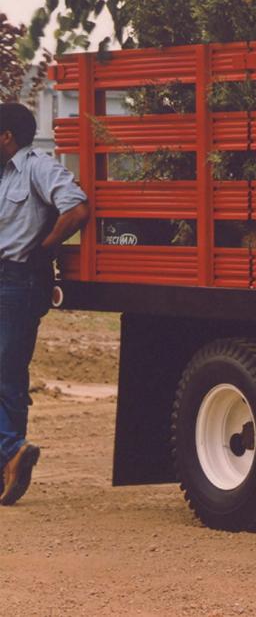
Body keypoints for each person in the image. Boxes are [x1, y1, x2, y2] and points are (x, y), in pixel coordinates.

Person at [0, 102, 90, 506]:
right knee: (10, 378)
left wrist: (46, 249)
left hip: (18, 282)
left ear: (8, 136)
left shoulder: (37, 165)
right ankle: (11, 461)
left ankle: (9, 449)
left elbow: (76, 208)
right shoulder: (2, 176)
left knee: (7, 372)